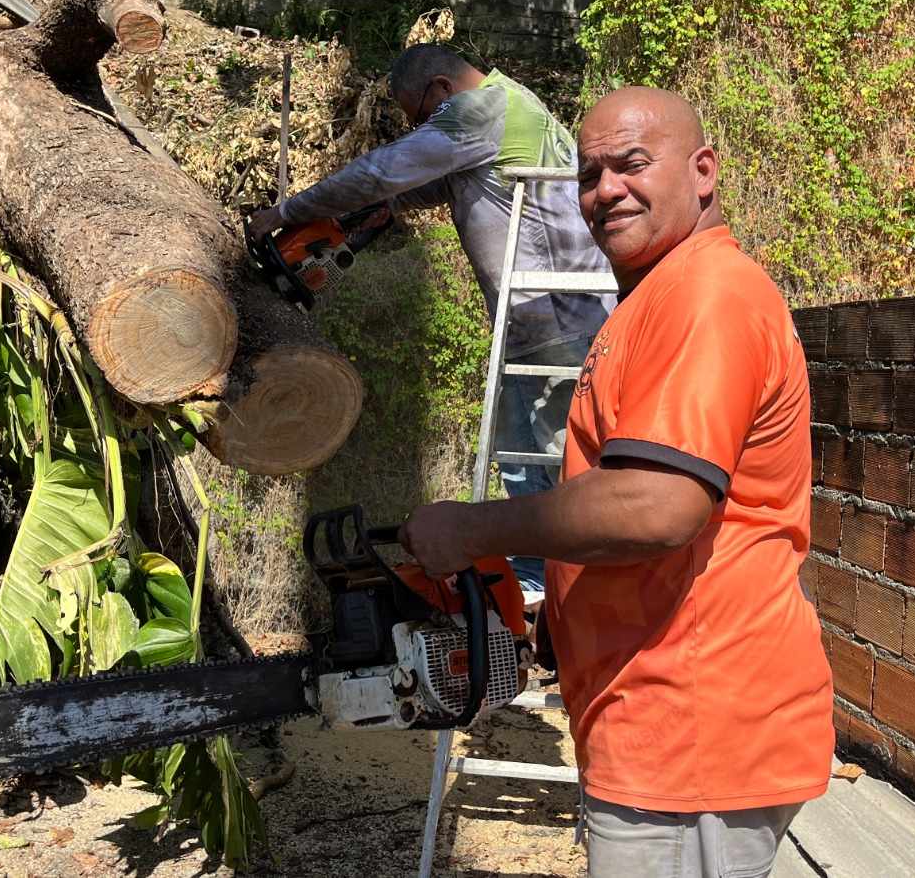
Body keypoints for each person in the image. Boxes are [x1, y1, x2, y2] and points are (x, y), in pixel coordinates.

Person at [396, 86, 834, 877]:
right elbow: (629, 486)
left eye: (631, 164)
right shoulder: (656, 299)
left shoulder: (706, 297)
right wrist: (564, 613)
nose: (605, 192)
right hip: (658, 715)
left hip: (693, 729)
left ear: (703, 171)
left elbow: (657, 504)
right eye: (588, 176)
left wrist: (471, 530)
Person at [247, 44, 611, 594]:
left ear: (441, 88)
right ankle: (539, 591)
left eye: (419, 116)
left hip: (556, 315)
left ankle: (588, 593)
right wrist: (384, 208)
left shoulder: (479, 107)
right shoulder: (514, 104)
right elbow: (443, 182)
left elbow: (380, 171)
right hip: (536, 318)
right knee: (524, 467)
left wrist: (289, 211)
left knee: (561, 466)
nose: (422, 126)